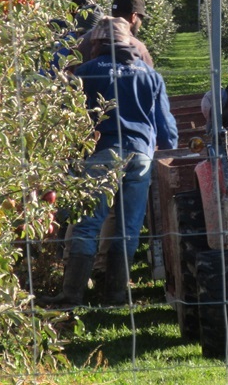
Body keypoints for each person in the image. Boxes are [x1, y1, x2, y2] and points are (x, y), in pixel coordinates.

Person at [40, 17, 177, 308]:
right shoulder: (150, 75)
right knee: (128, 226)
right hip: (140, 154)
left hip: (101, 152)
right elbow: (166, 127)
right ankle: (115, 296)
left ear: (98, 43)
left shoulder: (84, 73)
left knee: (88, 224)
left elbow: (71, 119)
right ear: (128, 42)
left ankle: (72, 295)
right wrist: (168, 151)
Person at [74, 0, 154, 67]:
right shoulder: (138, 47)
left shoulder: (81, 42)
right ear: (133, 17)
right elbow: (150, 77)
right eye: (141, 19)